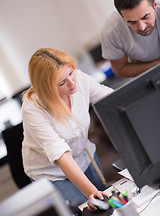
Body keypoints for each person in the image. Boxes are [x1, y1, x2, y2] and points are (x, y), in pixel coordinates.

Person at [21, 48, 113, 209]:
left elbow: (112, 101)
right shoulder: (33, 109)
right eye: (62, 83)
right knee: (85, 208)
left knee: (108, 201)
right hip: (52, 173)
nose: (72, 83)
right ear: (46, 88)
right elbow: (61, 155)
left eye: (71, 72)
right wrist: (92, 193)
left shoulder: (78, 79)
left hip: (84, 156)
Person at [101, 0, 160, 78]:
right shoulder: (112, 31)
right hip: (148, 77)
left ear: (155, 4)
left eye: (145, 17)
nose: (142, 27)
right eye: (132, 22)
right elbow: (120, 69)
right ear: (122, 17)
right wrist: (157, 65)